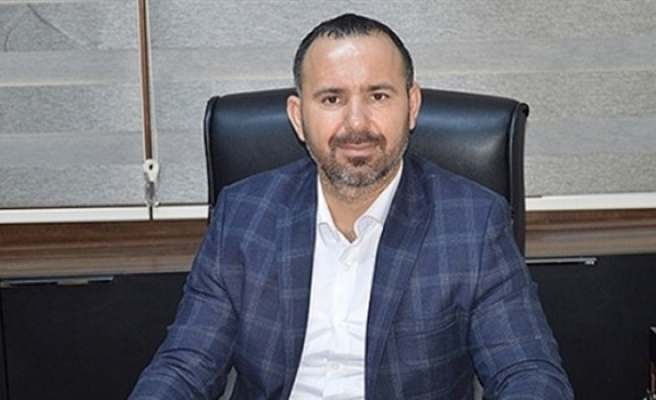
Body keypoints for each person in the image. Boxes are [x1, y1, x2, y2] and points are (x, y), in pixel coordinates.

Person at [130, 13, 574, 399]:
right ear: (298, 117)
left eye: (378, 95)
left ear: (412, 106)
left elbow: (528, 374)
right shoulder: (244, 215)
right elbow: (185, 368)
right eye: (332, 99)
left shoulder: (472, 223)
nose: (356, 123)